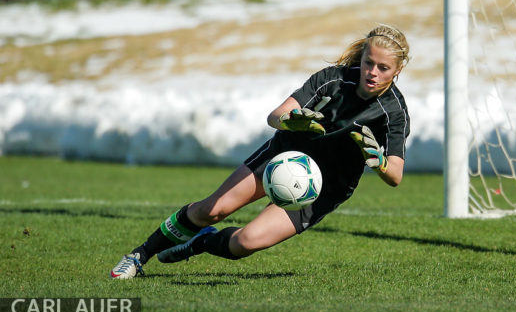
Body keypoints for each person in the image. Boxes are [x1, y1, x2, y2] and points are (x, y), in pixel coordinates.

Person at [110, 24, 411, 279]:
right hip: (281, 157)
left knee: (246, 242)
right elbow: (275, 116)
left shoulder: (393, 112)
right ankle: (139, 256)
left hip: (323, 188)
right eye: (369, 62)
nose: (372, 72)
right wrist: (292, 121)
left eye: (383, 68)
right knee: (213, 209)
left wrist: (379, 161)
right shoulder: (333, 79)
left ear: (397, 71)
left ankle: (203, 243)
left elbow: (395, 174)